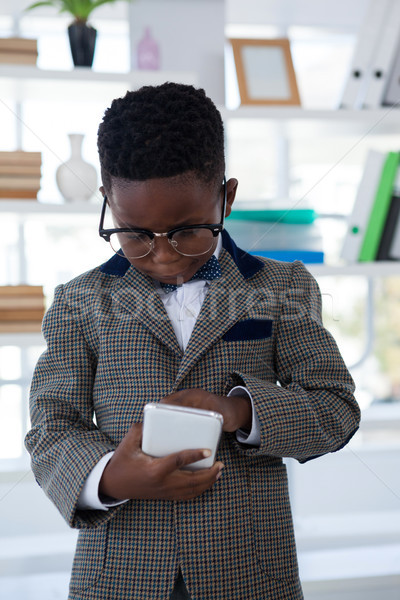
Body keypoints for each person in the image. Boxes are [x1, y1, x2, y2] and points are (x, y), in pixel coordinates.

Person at [25, 82, 360, 600]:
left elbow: (335, 409)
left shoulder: (282, 287)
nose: (164, 255)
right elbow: (51, 429)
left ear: (226, 198)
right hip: (119, 576)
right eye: (135, 233)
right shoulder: (79, 301)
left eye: (188, 231)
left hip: (248, 575)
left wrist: (239, 411)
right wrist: (113, 477)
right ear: (108, 205)